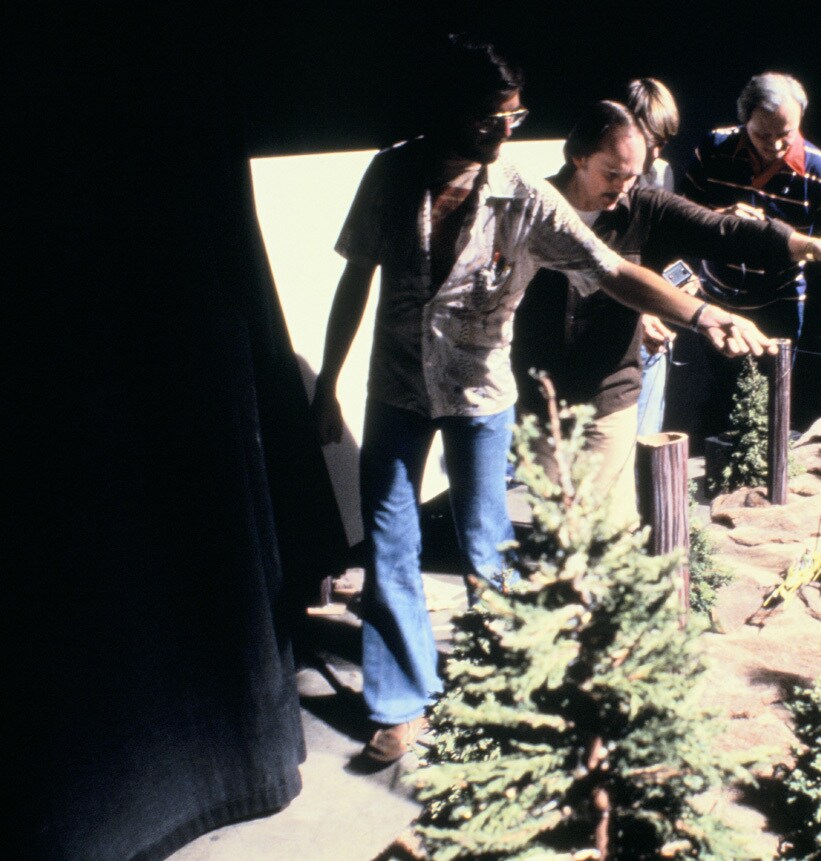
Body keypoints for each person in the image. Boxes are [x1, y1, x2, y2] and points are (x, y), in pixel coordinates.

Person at [312, 39, 773, 764]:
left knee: (486, 546)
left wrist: (701, 314)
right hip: (396, 389)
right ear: (450, 112)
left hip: (479, 394)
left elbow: (614, 271)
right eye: (490, 118)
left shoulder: (527, 195)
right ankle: (399, 704)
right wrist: (328, 382)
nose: (504, 131)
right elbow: (354, 281)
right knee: (391, 544)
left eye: (514, 117)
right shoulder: (393, 174)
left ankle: (505, 683)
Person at [511, 101, 821, 526]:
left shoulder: (644, 207)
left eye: (632, 177)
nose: (622, 189)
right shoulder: (533, 207)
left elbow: (724, 230)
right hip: (537, 395)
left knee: (607, 528)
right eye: (612, 174)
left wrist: (810, 246)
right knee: (554, 526)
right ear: (578, 157)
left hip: (608, 395)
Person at [681, 71, 821, 437]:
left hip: (778, 309)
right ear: (745, 120)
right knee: (712, 412)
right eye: (762, 134)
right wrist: (719, 220)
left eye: (785, 134)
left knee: (765, 417)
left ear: (800, 120)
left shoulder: (820, 173)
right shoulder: (714, 148)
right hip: (714, 303)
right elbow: (675, 218)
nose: (774, 145)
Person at [626, 78, 681, 436]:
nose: (656, 152)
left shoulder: (660, 173)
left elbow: (659, 247)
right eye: (650, 142)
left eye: (663, 143)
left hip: (647, 303)